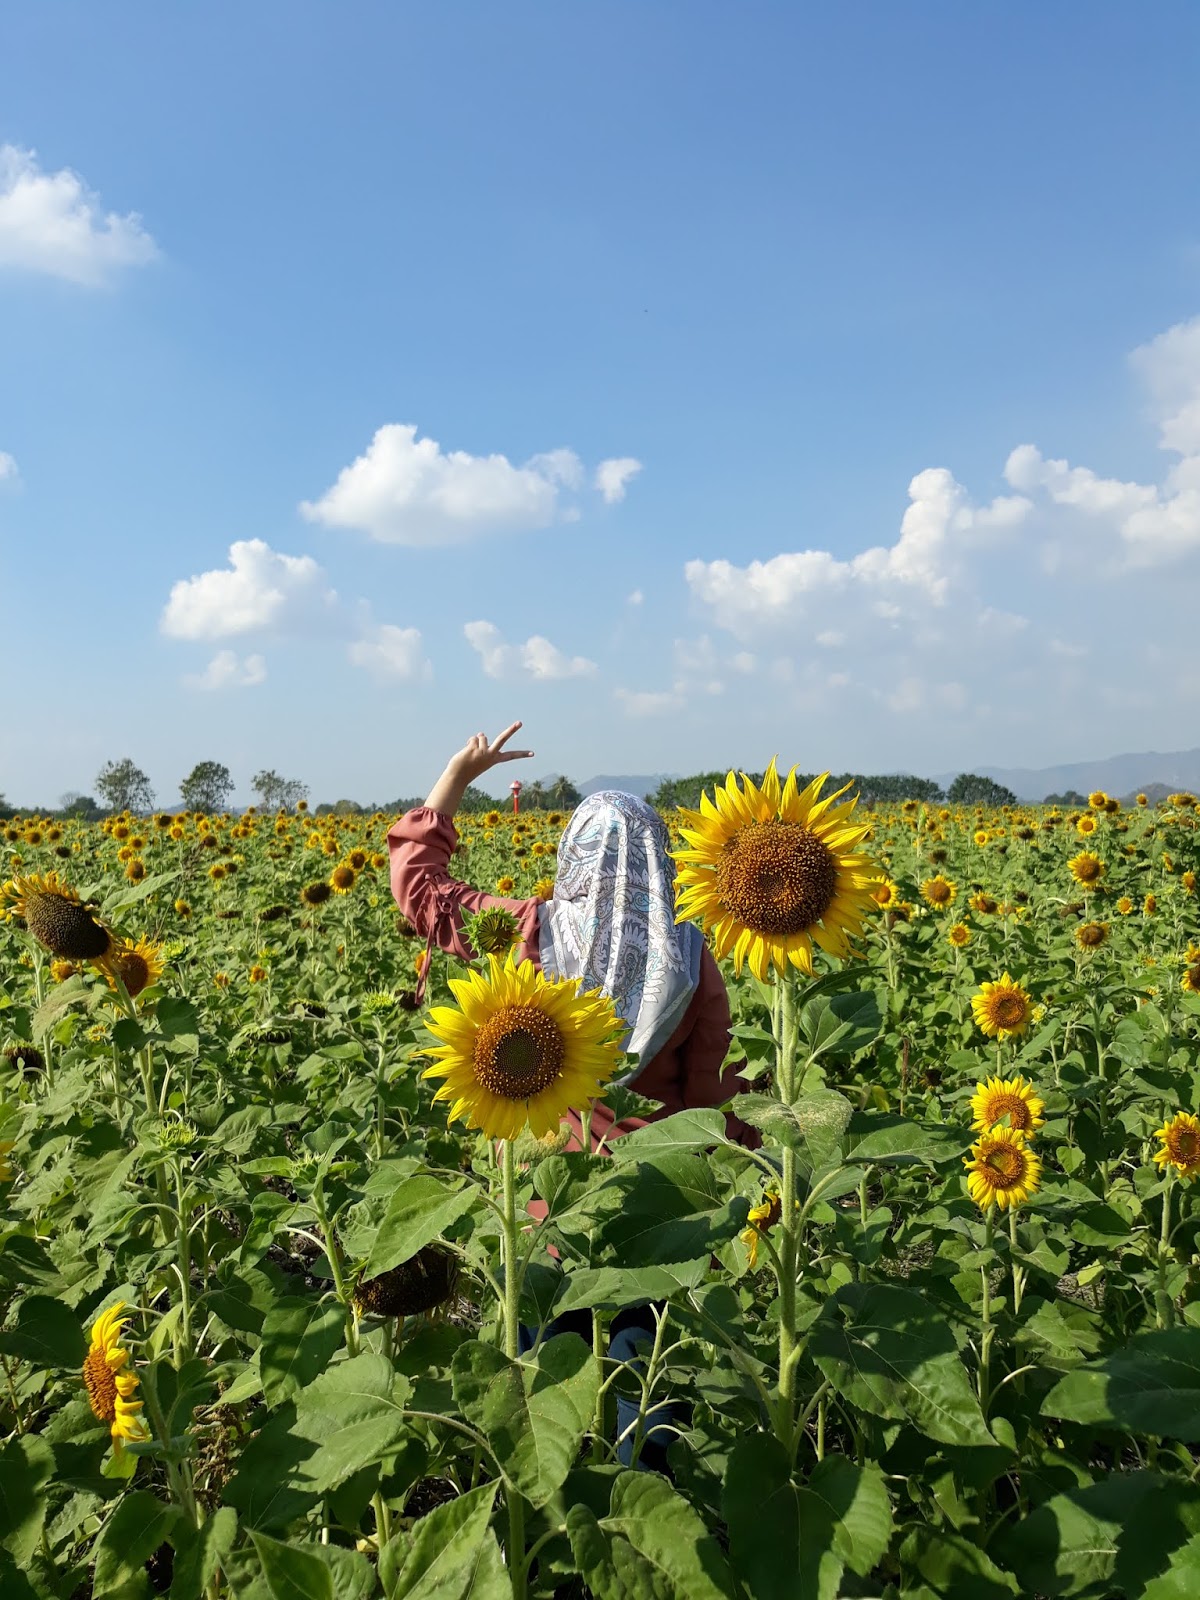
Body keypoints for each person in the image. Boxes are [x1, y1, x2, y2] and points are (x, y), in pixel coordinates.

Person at [387, 721, 753, 1471]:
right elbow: (713, 1100)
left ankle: (550, 1495)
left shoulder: (528, 931)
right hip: (654, 1204)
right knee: (643, 1368)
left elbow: (421, 890)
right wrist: (739, 1185)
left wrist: (455, 779)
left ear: (572, 855)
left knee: (542, 1364)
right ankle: (642, 1479)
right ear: (660, 859)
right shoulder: (691, 956)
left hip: (545, 1197)